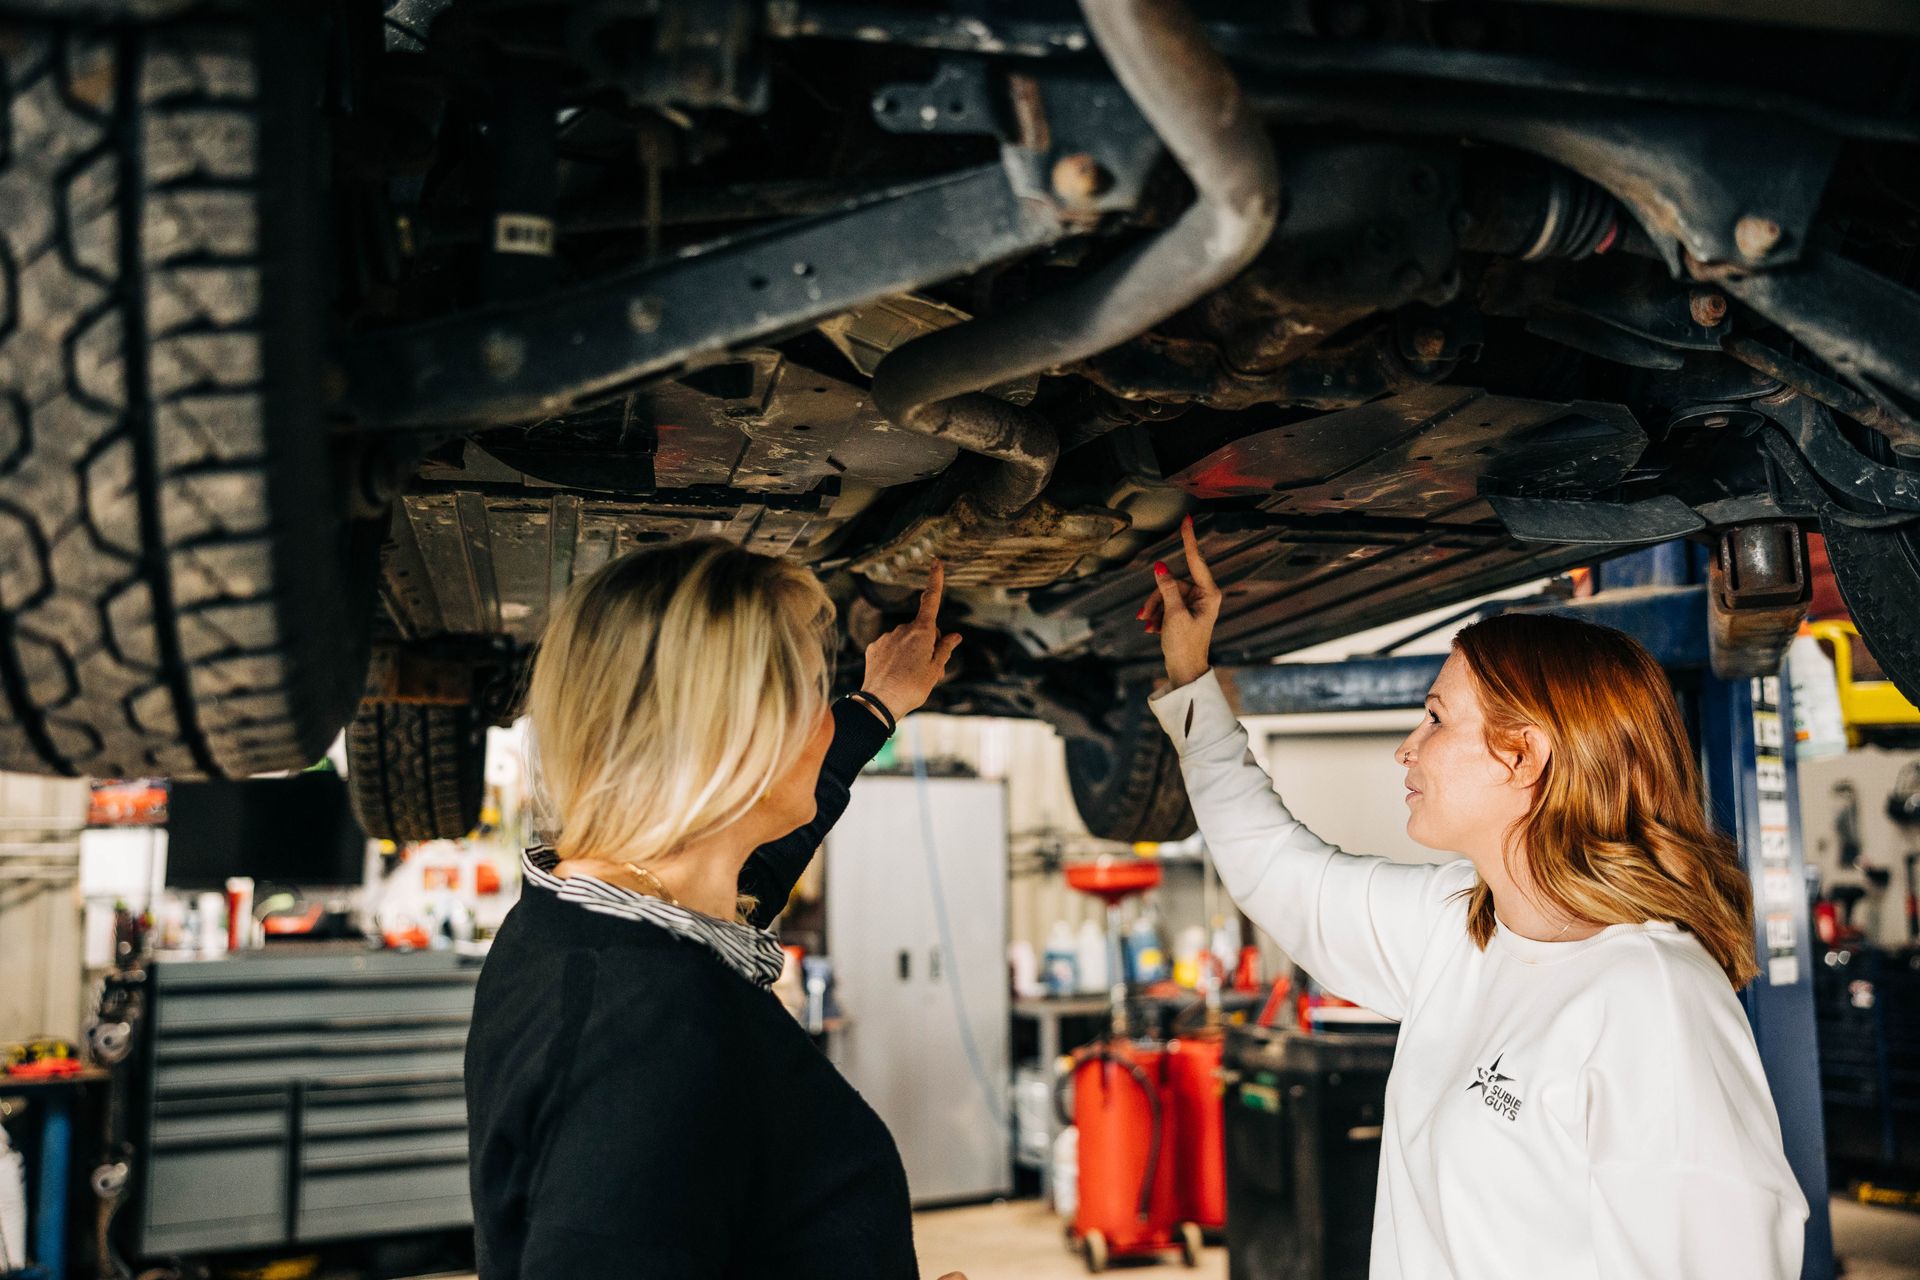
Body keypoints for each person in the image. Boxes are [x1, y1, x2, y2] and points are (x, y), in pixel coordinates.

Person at [1135, 515, 1810, 1279]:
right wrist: (1192, 679)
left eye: (1434, 718)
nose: (1407, 747)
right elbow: (1275, 868)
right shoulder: (1460, 928)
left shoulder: (1652, 997)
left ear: (1524, 757)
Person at [465, 537, 968, 1279]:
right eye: (812, 697)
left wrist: (876, 704)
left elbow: (751, 870)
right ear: (740, 737)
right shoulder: (649, 1041)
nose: (825, 721)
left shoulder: (585, 915)